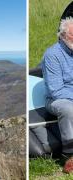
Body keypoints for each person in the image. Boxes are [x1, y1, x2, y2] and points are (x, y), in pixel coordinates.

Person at [42, 17, 73, 157]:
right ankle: (69, 153)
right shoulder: (52, 55)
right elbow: (56, 90)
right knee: (68, 109)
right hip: (57, 99)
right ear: (63, 35)